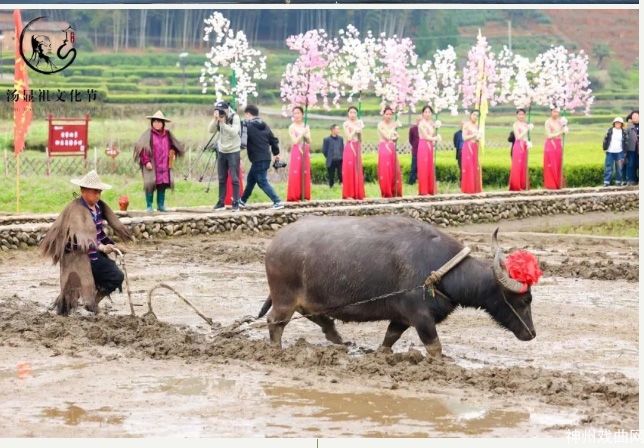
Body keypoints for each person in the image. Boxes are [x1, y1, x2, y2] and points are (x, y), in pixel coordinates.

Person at [39, 170, 132, 316]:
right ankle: (62, 316)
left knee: (116, 276)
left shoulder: (99, 208)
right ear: (83, 191)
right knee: (70, 295)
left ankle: (93, 302)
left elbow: (99, 234)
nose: (97, 195)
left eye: (99, 192)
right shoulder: (75, 210)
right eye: (94, 192)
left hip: (94, 256)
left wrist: (113, 245)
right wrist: (101, 247)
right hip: (76, 257)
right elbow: (81, 238)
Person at [134, 110, 185, 213]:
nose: (157, 123)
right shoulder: (148, 134)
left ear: (163, 123)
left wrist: (173, 154)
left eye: (159, 121)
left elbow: (173, 147)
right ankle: (149, 206)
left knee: (162, 184)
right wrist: (146, 161)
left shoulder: (168, 135)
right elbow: (142, 149)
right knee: (150, 184)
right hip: (152, 165)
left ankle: (161, 205)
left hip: (164, 165)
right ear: (152, 122)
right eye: (155, 121)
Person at [238, 104, 284, 210]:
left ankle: (277, 202)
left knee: (262, 181)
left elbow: (242, 141)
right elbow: (273, 140)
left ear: (248, 114)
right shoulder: (265, 125)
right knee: (250, 180)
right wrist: (276, 153)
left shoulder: (247, 126)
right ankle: (242, 201)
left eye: (246, 115)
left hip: (258, 159)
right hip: (265, 157)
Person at [208, 101, 242, 211]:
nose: (221, 112)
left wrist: (223, 123)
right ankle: (221, 202)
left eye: (222, 111)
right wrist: (215, 120)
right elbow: (210, 130)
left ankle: (236, 202)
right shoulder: (219, 118)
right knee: (222, 178)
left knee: (234, 178)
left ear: (227, 109)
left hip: (233, 150)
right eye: (218, 110)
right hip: (222, 150)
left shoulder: (234, 117)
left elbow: (234, 132)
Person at [286, 106, 312, 202]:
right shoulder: (291, 127)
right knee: (296, 172)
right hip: (296, 151)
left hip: (305, 150)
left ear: (302, 114)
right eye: (295, 113)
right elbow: (295, 141)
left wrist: (307, 136)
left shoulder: (306, 125)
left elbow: (309, 141)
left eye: (298, 113)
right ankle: (294, 196)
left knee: (305, 172)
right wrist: (302, 134)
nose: (296, 115)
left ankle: (304, 195)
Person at [377, 107, 403, 198]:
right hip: (384, 147)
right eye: (387, 114)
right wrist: (394, 128)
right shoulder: (380, 124)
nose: (388, 116)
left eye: (390, 114)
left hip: (392, 147)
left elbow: (393, 139)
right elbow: (387, 137)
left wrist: (396, 137)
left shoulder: (392, 124)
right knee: (385, 170)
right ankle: (386, 192)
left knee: (394, 169)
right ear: (383, 115)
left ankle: (394, 190)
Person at [341, 106, 366, 200]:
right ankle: (349, 194)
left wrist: (359, 131)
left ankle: (358, 193)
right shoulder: (346, 124)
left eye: (355, 112)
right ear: (348, 113)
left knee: (358, 169)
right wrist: (355, 130)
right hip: (349, 147)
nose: (352, 114)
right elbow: (348, 137)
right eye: (351, 112)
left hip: (357, 146)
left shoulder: (359, 123)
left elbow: (361, 139)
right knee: (349, 169)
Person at [417, 105, 441, 195]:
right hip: (423, 145)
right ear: (422, 113)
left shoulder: (431, 123)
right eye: (426, 112)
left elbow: (432, 135)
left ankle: (430, 189)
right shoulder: (421, 124)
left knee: (430, 167)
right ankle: (423, 190)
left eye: (429, 112)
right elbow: (426, 137)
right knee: (424, 167)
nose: (427, 114)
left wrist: (437, 129)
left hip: (430, 146)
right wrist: (435, 138)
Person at [543, 107, 568, 190]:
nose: (556, 113)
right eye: (554, 111)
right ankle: (551, 185)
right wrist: (561, 132)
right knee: (551, 164)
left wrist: (565, 129)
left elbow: (563, 133)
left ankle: (559, 184)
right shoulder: (548, 122)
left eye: (557, 112)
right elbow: (549, 135)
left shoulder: (560, 122)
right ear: (551, 112)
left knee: (558, 163)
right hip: (550, 144)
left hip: (558, 144)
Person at [509, 108, 534, 191]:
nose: (521, 116)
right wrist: (527, 129)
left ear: (525, 115)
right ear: (516, 115)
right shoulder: (515, 124)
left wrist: (528, 143)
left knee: (524, 166)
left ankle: (523, 185)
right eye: (519, 114)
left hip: (524, 146)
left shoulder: (525, 124)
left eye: (523, 114)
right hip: (518, 146)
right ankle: (516, 186)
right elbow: (518, 137)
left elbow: (526, 137)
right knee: (517, 166)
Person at [602, 117, 628, 186]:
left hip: (620, 151)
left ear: (621, 124)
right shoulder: (610, 130)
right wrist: (605, 148)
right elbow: (605, 139)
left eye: (619, 123)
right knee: (608, 166)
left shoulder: (624, 132)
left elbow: (626, 143)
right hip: (610, 151)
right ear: (614, 123)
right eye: (616, 123)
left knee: (619, 167)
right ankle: (606, 181)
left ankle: (618, 181)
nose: (617, 124)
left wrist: (625, 152)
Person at [461, 110, 482, 194]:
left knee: (475, 166)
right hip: (468, 147)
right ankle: (468, 188)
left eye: (477, 115)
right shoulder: (466, 125)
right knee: (468, 167)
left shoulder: (477, 126)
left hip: (475, 146)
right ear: (471, 115)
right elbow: (464, 137)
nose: (475, 117)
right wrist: (475, 134)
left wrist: (478, 137)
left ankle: (475, 187)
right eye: (474, 114)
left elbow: (477, 138)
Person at [625, 110, 639, 185]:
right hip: (632, 149)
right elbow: (624, 136)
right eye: (633, 117)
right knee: (631, 164)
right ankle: (631, 180)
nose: (635, 118)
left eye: (637, 116)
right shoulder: (629, 127)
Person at [407, 117, 420, 185]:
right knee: (414, 167)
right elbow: (410, 140)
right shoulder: (413, 129)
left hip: (423, 151)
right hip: (415, 150)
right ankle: (411, 182)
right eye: (419, 120)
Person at [453, 121, 464, 186]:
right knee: (461, 167)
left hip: (468, 152)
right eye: (462, 124)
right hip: (460, 152)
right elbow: (455, 143)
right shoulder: (457, 134)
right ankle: (461, 182)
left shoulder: (468, 133)